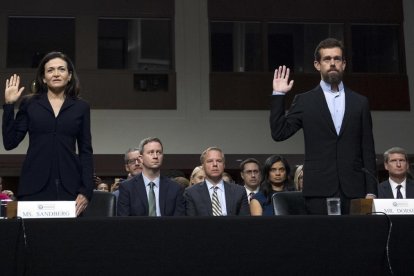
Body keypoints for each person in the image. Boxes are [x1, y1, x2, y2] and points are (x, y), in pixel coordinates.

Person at [270, 38, 377, 215]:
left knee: (357, 240)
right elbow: (279, 132)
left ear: (344, 64)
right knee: (322, 241)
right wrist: (279, 94)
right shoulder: (305, 101)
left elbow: (368, 149)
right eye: (327, 59)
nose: (332, 63)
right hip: (319, 191)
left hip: (355, 191)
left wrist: (371, 190)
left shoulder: (360, 102)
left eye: (337, 59)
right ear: (317, 65)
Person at [2, 51, 93, 216]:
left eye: (61, 69)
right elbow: (10, 142)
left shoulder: (81, 107)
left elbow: (86, 151)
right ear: (43, 77)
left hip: (70, 186)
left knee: (68, 239)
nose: (56, 74)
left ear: (69, 75)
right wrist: (9, 105)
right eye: (50, 70)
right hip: (33, 185)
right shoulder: (29, 104)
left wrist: (86, 190)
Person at [117, 137, 185, 216]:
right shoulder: (127, 188)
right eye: (151, 152)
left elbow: (179, 222)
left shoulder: (175, 188)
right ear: (141, 159)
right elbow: (124, 222)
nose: (155, 156)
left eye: (159, 152)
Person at [184, 147, 249, 216]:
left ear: (224, 165)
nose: (215, 164)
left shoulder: (239, 191)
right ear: (203, 167)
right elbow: (191, 223)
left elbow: (244, 222)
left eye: (219, 161)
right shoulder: (191, 193)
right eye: (210, 161)